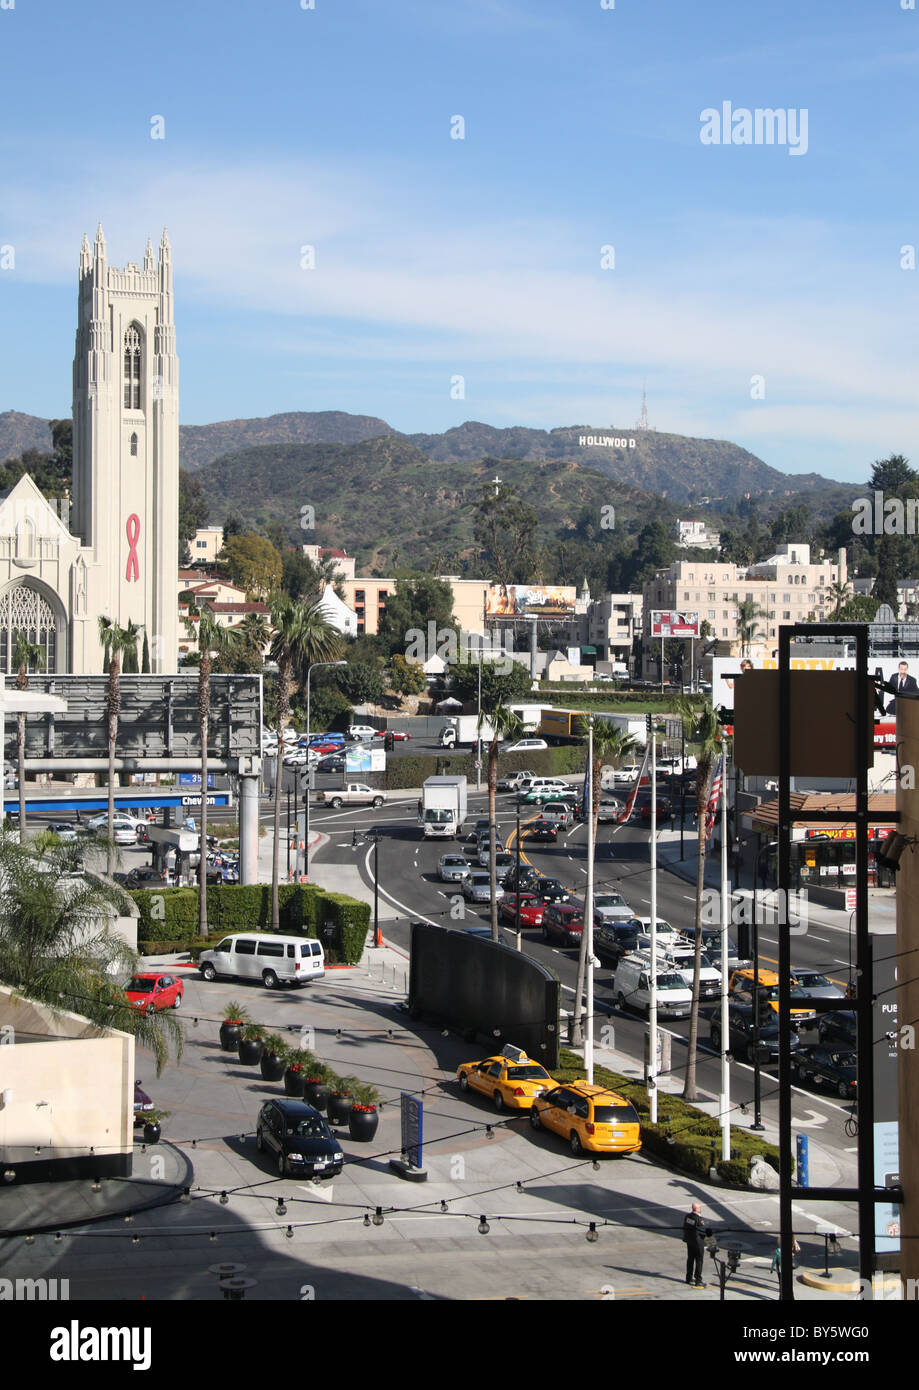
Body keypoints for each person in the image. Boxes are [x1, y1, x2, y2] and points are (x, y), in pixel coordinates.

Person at [682, 1200, 710, 1287]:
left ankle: (688, 1277)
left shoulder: (688, 1217)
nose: (700, 1209)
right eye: (699, 1208)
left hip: (690, 1241)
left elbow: (685, 1227)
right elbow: (704, 1231)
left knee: (690, 1259)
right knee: (699, 1261)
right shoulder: (699, 1219)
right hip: (698, 1243)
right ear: (696, 1209)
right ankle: (698, 1280)